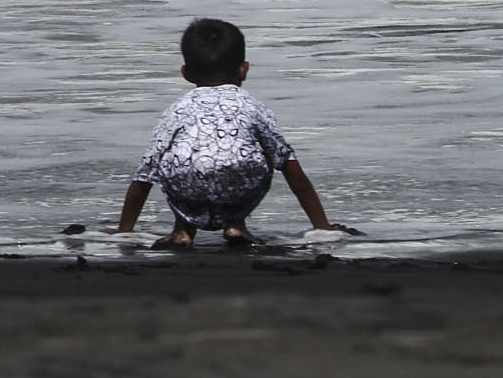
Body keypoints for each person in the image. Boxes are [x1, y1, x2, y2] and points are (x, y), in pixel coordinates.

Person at [112, 17, 352, 250]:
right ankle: (236, 225)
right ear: (244, 69)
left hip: (186, 190)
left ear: (185, 73)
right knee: (263, 154)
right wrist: (322, 227)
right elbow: (289, 166)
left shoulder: (176, 110)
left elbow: (145, 174)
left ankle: (182, 230)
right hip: (240, 189)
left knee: (175, 157)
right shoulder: (251, 105)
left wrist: (124, 231)